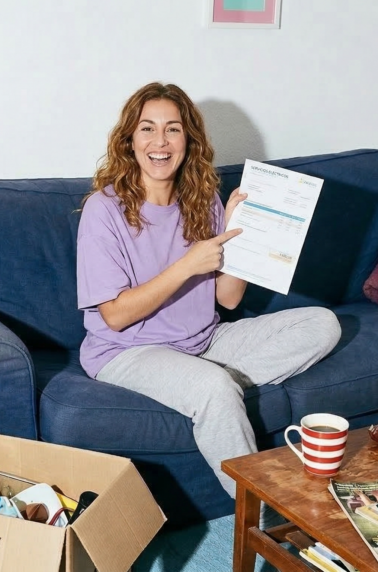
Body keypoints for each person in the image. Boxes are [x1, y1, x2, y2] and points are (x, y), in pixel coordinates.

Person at [76, 82, 341, 497]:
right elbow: (115, 315)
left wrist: (242, 234)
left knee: (322, 324)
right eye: (147, 129)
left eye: (173, 129)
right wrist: (187, 265)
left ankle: (209, 390)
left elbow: (228, 298)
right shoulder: (104, 209)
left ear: (189, 140)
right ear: (129, 140)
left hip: (204, 340)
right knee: (214, 388)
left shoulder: (203, 200)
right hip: (126, 350)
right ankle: (259, 517)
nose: (160, 142)